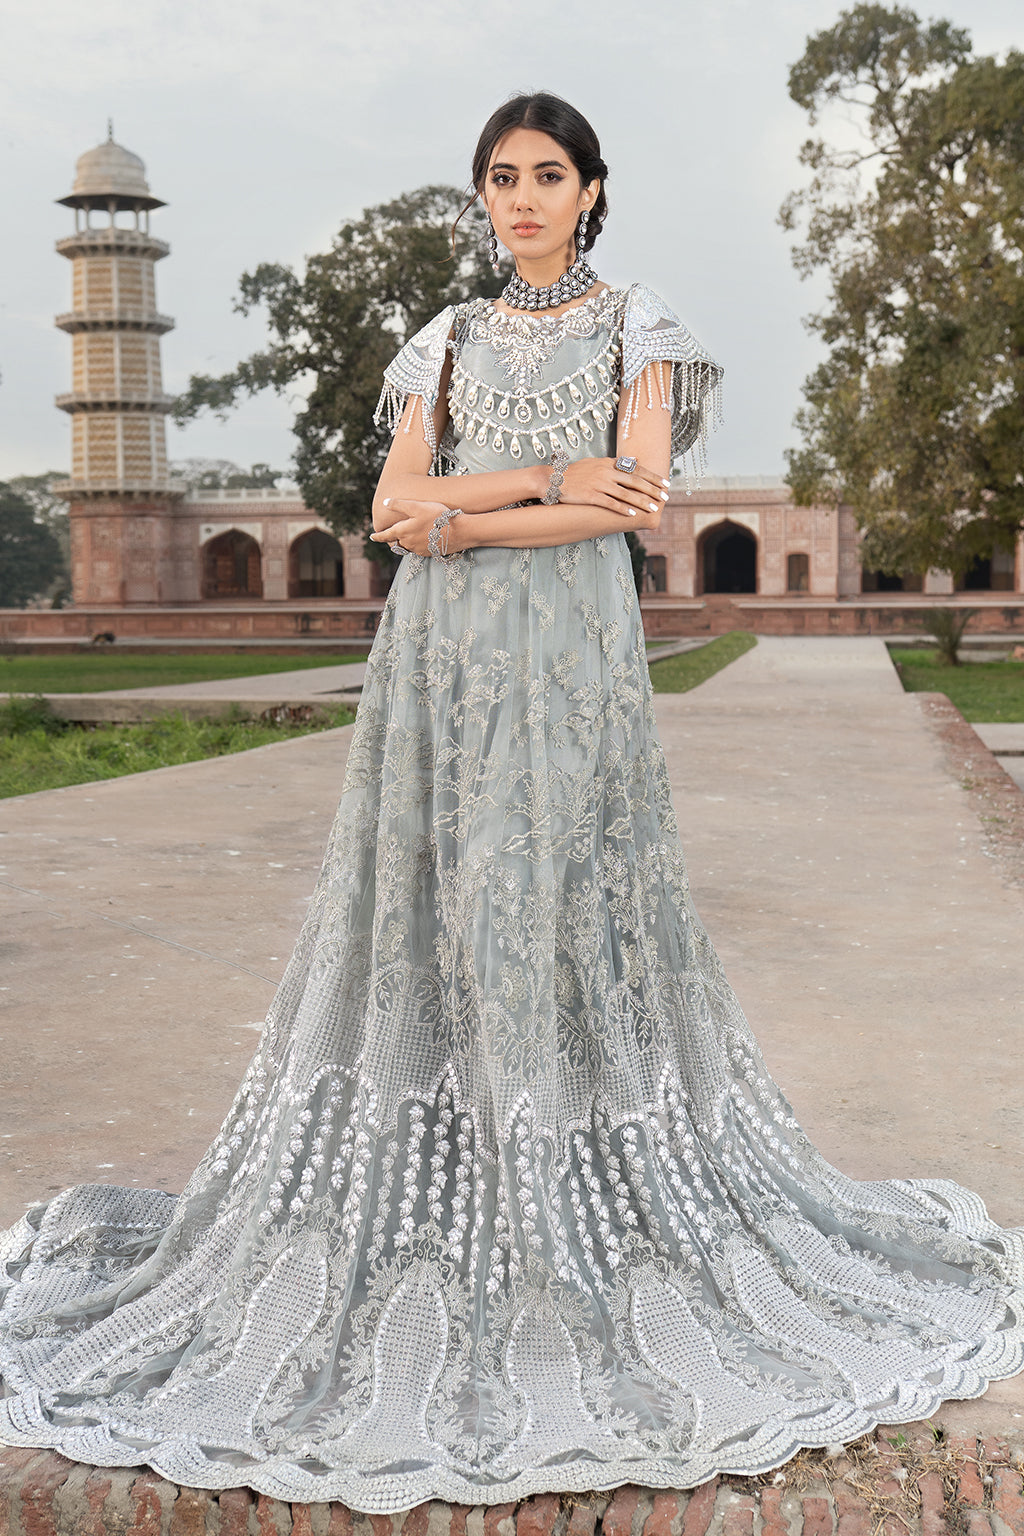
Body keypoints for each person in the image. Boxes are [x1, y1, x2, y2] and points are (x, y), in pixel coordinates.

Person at [1, 92, 1022, 1517]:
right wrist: (534, 480)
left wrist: (459, 516)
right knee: (433, 888)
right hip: (439, 657)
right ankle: (456, 1155)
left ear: (592, 189)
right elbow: (389, 510)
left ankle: (567, 1167)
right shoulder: (445, 340)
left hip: (572, 654)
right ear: (480, 195)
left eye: (549, 174)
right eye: (501, 176)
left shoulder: (641, 328)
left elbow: (633, 502)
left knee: (555, 887)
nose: (524, 196)